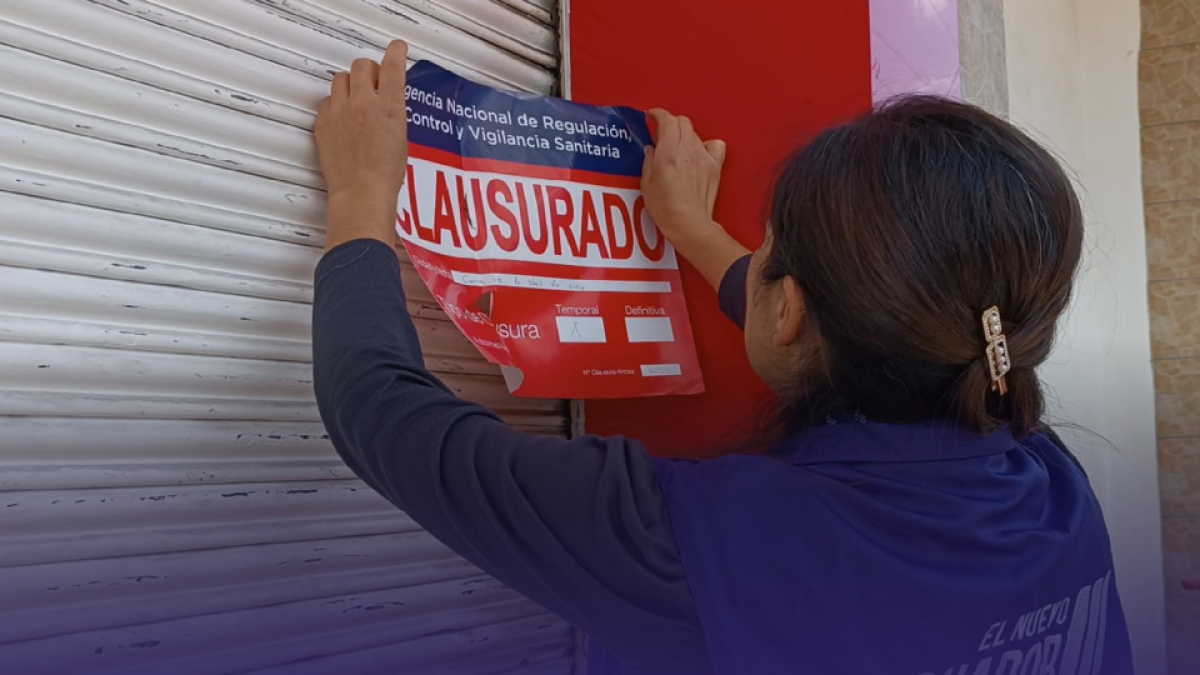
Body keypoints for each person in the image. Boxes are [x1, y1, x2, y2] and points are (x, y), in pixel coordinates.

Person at [311, 40, 1134, 674]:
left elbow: (380, 409)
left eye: (769, 253)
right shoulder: (1051, 488)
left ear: (794, 313)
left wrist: (359, 200)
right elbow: (842, 324)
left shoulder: (696, 545)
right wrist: (696, 233)